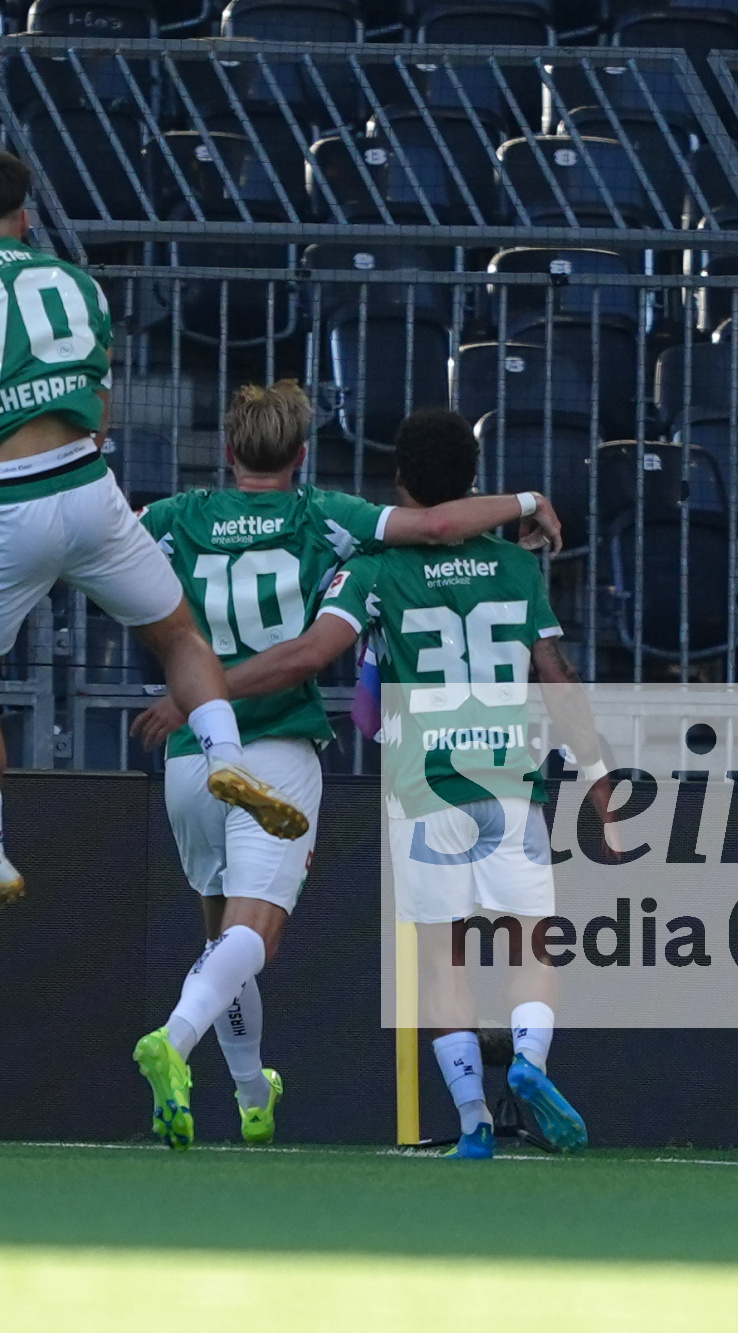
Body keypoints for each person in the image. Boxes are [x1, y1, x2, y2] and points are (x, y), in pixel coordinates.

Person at [136, 408, 601, 1159]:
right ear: (302, 453)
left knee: (412, 955)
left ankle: (456, 1121)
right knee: (528, 941)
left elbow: (324, 666)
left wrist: (197, 692)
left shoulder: (358, 565)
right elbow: (552, 671)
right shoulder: (482, 560)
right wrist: (600, 774)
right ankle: (528, 1061)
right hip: (486, 773)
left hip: (283, 763)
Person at [0, 146, 307, 934]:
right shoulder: (79, 284)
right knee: (179, 634)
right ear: (26, 218)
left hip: (1, 501)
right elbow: (101, 417)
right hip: (87, 485)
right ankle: (226, 757)